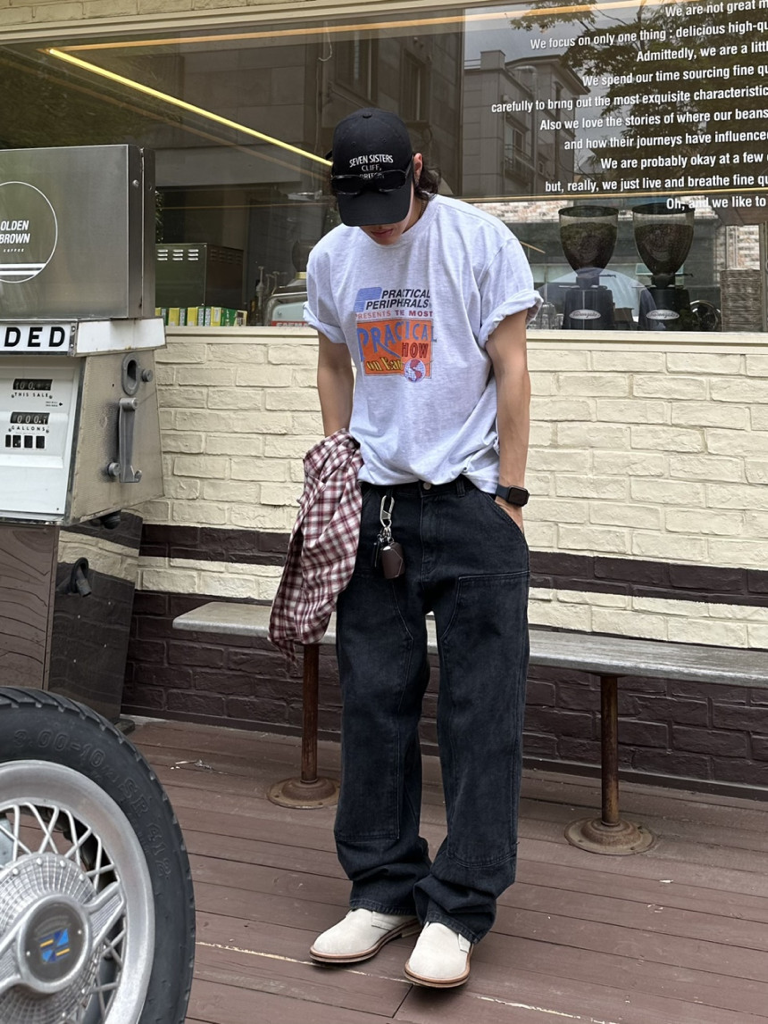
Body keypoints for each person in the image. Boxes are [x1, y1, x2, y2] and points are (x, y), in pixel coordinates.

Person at [303, 107, 540, 988]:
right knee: (373, 702)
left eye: (390, 202)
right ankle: (382, 888)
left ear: (418, 169)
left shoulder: (479, 242)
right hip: (376, 507)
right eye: (359, 207)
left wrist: (509, 495)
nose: (378, 224)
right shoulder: (332, 257)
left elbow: (512, 366)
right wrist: (340, 461)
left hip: (472, 503)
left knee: (482, 713)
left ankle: (460, 905)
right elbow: (334, 361)